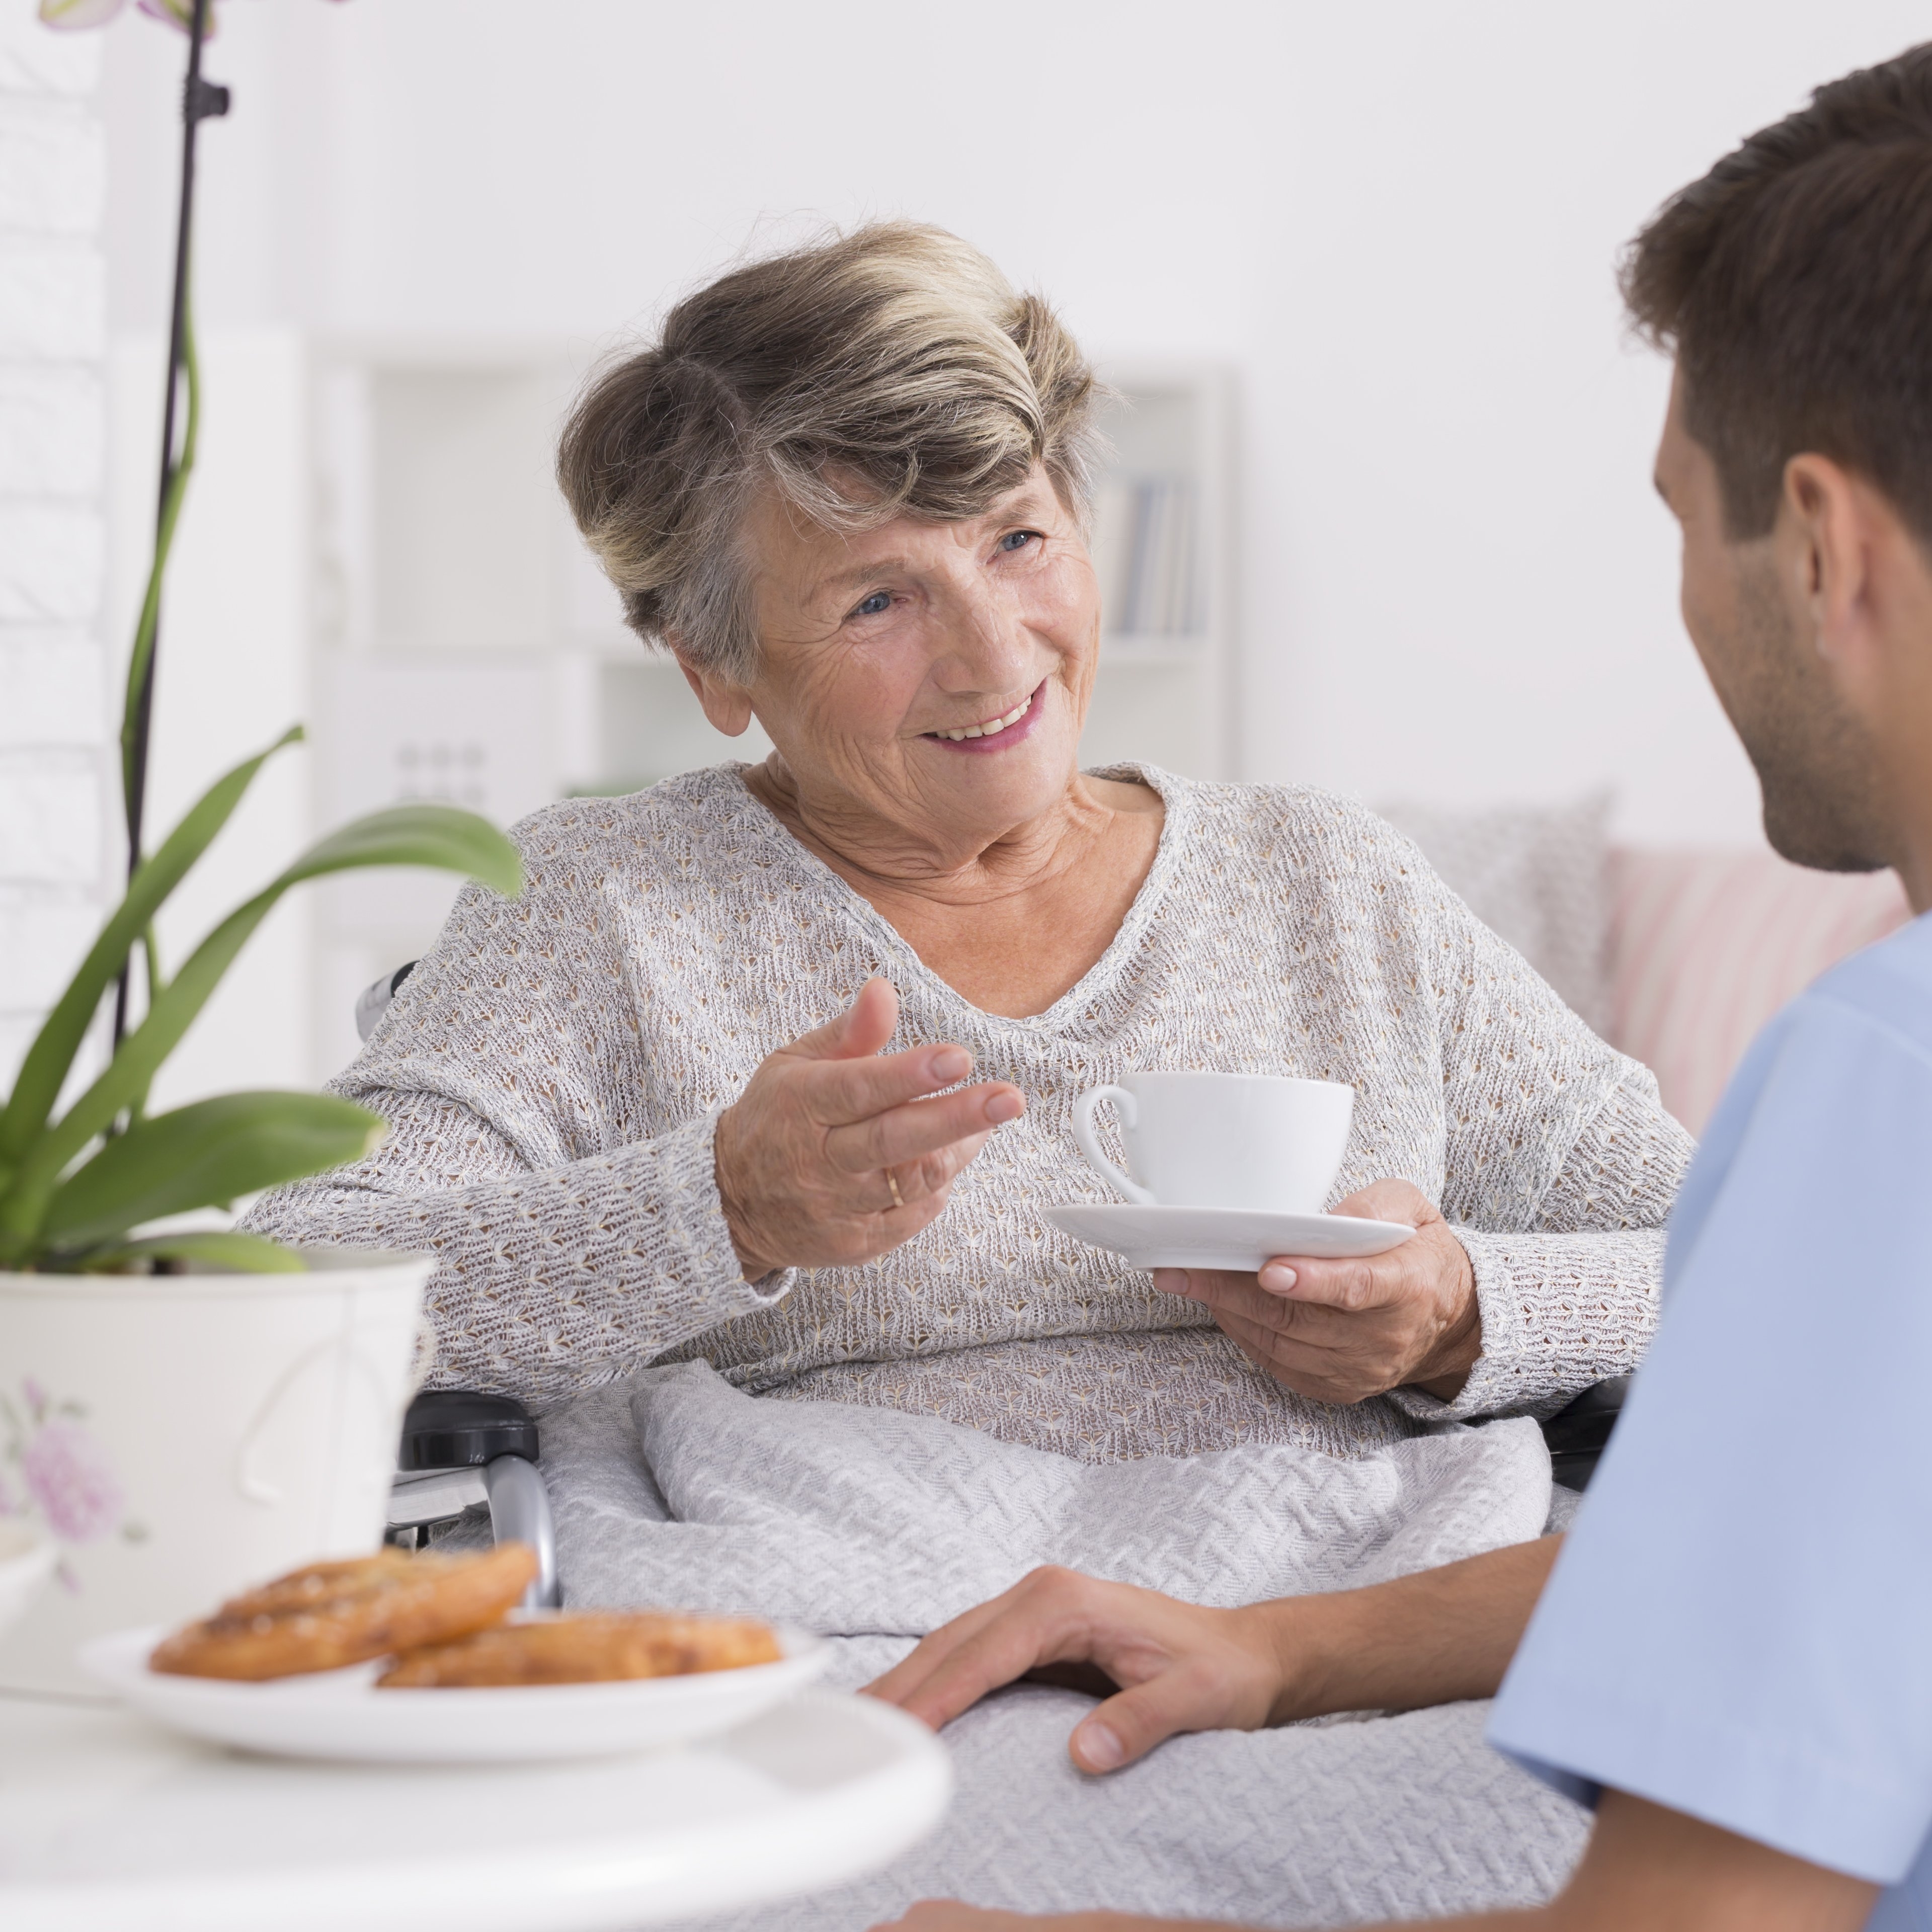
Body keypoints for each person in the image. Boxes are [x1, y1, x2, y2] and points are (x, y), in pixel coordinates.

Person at [865, 41, 1932, 1932]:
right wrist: (1293, 1650)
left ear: (1827, 545)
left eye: (1683, 515)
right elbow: (1819, 1568)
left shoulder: (1879, 1091)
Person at [248, 222, 1681, 1465]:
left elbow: (1751, 1249)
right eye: (879, 600)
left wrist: (1461, 1319)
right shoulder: (608, 905)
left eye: (1016, 540)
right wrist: (719, 1207)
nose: (996, 658)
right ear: (712, 664)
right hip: (861, 1632)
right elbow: (299, 1280)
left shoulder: (1328, 881)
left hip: (1340, 1627)